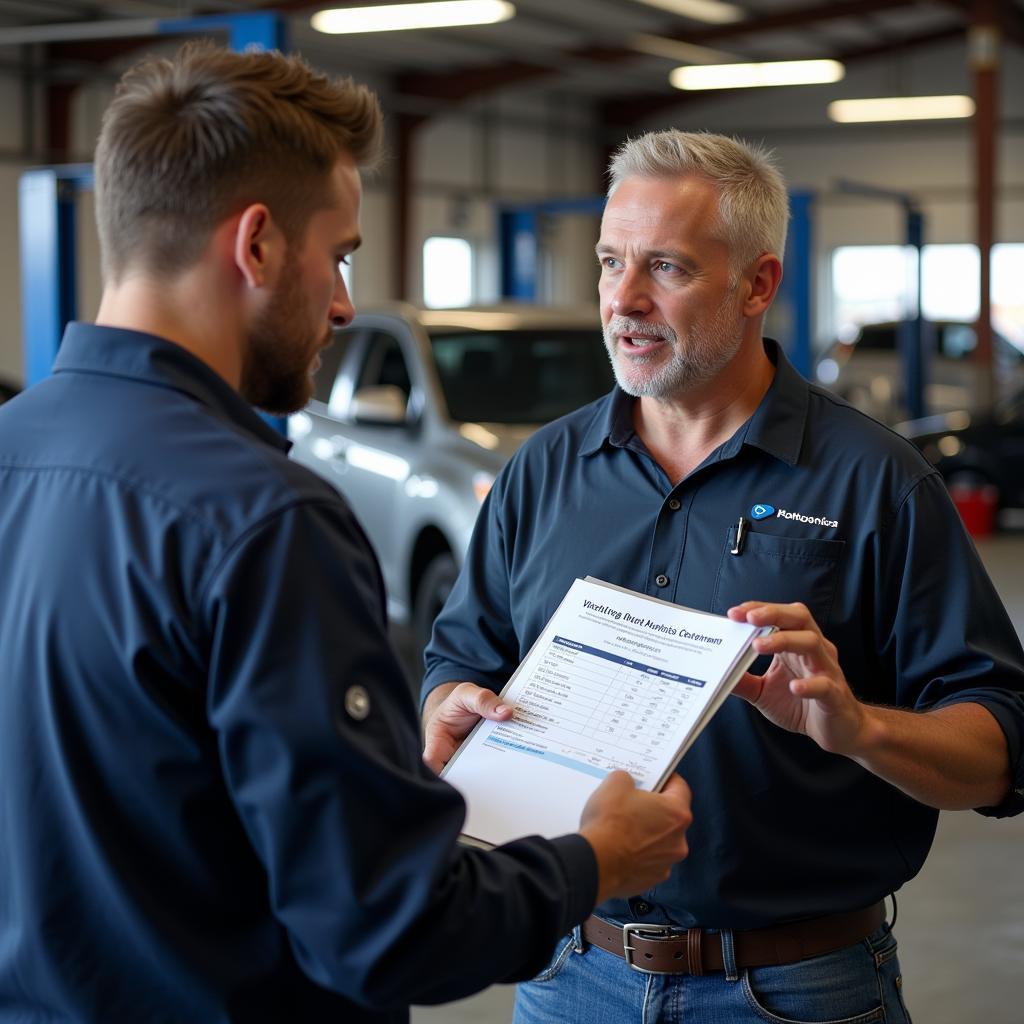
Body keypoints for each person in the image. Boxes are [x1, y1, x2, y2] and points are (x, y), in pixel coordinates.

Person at [0, 44, 695, 1024]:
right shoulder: (262, 519)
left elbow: (146, 783)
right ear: (255, 245)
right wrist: (593, 861)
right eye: (338, 254)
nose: (339, 304)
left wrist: (383, 769)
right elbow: (386, 931)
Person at [421, 129, 1024, 1023]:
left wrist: (855, 727)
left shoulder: (877, 483)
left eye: (664, 267)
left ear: (758, 284)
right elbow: (458, 659)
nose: (622, 300)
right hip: (568, 974)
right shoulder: (541, 472)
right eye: (609, 261)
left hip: (795, 989)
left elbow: (1002, 751)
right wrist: (449, 708)